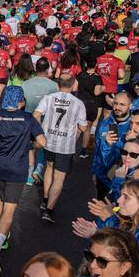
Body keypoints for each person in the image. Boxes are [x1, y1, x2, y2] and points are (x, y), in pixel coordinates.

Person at [0, 86, 47, 272]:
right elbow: (42, 142)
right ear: (20, 102)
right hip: (17, 168)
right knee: (10, 208)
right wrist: (29, 145)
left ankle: (3, 236)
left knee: (0, 199)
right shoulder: (28, 119)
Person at [34, 75, 88, 223]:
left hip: (48, 141)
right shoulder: (78, 103)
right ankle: (49, 210)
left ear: (58, 84)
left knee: (49, 168)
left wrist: (40, 132)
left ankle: (45, 199)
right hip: (65, 145)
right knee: (59, 177)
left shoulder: (49, 98)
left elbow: (36, 114)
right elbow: (83, 127)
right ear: (72, 85)